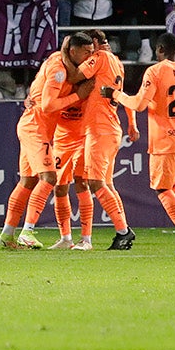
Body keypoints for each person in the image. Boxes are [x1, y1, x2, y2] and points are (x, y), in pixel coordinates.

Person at [104, 33, 175, 252]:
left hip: (165, 140)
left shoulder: (155, 71)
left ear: (159, 49)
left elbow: (138, 104)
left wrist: (115, 95)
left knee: (163, 190)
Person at [12, 33, 100, 250]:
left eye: (94, 51)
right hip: (52, 133)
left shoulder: (82, 67)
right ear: (73, 51)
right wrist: (76, 96)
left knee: (78, 184)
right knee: (55, 183)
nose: (92, 56)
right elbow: (49, 102)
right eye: (87, 52)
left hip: (80, 135)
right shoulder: (59, 68)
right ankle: (53, 236)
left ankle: (86, 239)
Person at [75, 28, 138, 250]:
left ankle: (123, 231)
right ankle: (118, 231)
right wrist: (132, 123)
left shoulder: (100, 58)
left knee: (96, 182)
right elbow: (124, 94)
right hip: (109, 127)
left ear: (94, 43)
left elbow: (77, 74)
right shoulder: (117, 62)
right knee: (103, 183)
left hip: (100, 128)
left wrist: (65, 53)